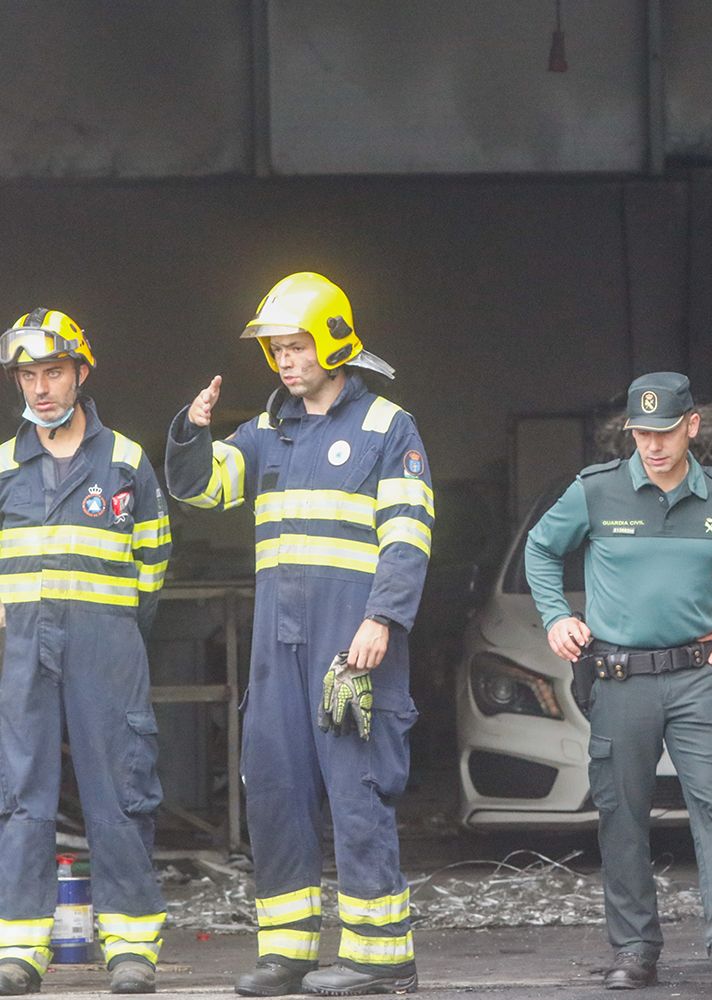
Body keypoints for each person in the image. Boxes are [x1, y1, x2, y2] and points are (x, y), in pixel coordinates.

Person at [164, 273, 432, 997]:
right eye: (277, 349)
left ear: (334, 341)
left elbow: (409, 535)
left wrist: (383, 618)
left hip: (351, 642)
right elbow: (205, 489)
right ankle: (288, 952)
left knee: (356, 788)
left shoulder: (386, 427)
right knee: (275, 789)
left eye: (296, 345)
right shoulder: (266, 430)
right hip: (277, 648)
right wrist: (192, 433)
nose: (285, 360)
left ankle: (381, 957)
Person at [525, 372, 712, 995]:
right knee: (622, 815)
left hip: (701, 676)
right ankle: (636, 949)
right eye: (642, 433)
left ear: (692, 426)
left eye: (665, 432)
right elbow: (540, 548)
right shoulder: (596, 490)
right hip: (618, 679)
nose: (653, 445)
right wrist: (557, 615)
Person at [0, 309, 171, 996]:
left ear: (81, 372)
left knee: (121, 790)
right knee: (20, 794)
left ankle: (131, 947)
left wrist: (116, 633)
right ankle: (18, 948)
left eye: (52, 373)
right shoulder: (4, 465)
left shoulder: (127, 461)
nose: (40, 389)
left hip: (107, 645)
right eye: (28, 375)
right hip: (21, 653)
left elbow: (153, 567)